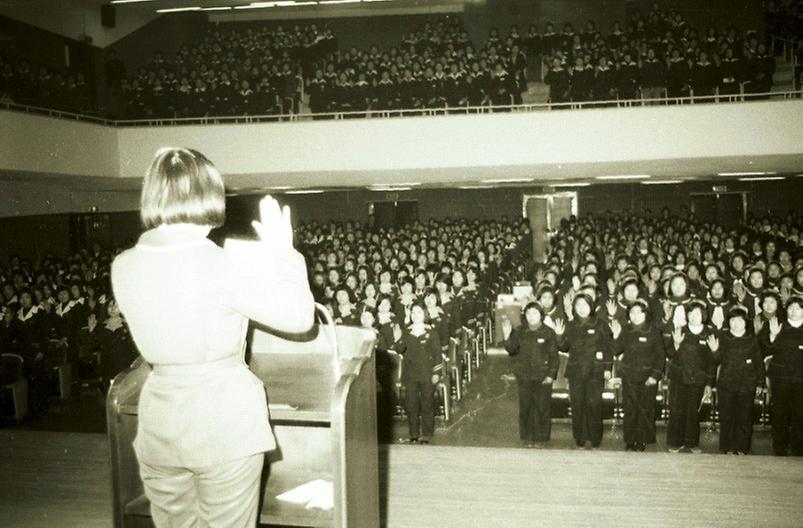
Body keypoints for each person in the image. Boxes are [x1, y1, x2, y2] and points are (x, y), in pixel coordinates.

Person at [111, 147, 315, 527]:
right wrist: (285, 252)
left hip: (160, 422)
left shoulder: (123, 265)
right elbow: (301, 318)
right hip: (224, 421)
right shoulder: (223, 265)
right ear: (210, 195)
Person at [708, 305, 765, 455]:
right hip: (726, 383)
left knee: (745, 416)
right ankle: (726, 447)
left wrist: (760, 382)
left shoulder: (752, 339)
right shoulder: (722, 337)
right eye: (732, 320)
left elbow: (759, 362)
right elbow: (717, 360)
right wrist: (714, 351)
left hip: (747, 383)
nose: (736, 323)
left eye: (739, 320)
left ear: (745, 322)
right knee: (726, 416)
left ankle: (742, 448)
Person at [501, 301, 559, 447]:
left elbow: (554, 356)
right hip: (524, 376)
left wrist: (551, 375)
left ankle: (541, 438)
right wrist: (507, 336)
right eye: (528, 313)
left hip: (542, 376)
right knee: (525, 407)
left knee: (542, 408)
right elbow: (512, 350)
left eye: (535, 313)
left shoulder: (548, 332)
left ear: (541, 315)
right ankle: (527, 437)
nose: (531, 316)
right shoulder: (520, 330)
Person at [558, 293, 613, 448]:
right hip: (576, 370)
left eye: (585, 305)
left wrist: (607, 367)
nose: (582, 308)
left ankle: (595, 437)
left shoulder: (600, 324)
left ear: (591, 306)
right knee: (577, 404)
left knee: (594, 403)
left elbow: (608, 347)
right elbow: (564, 347)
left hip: (596, 370)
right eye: (578, 305)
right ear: (574, 308)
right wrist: (559, 336)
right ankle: (579, 436)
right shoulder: (571, 324)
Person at [610, 299, 665, 451]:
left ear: (645, 314)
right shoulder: (626, 329)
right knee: (630, 409)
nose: (635, 315)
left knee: (645, 409)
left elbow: (660, 356)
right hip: (629, 376)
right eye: (632, 312)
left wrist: (654, 376)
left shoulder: (653, 330)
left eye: (638, 312)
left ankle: (642, 440)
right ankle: (630, 439)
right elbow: (616, 350)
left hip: (648, 377)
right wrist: (615, 336)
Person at [666, 300, 716, 453]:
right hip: (678, 379)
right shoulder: (680, 330)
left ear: (703, 316)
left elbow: (712, 362)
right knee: (677, 410)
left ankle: (692, 443)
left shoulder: (709, 333)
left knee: (693, 412)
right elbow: (669, 354)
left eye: (697, 314)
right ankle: (675, 442)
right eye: (691, 313)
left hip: (698, 380)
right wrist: (676, 344)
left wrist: (709, 383)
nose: (693, 317)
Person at [391, 302, 442, 444]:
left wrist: (436, 373)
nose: (415, 315)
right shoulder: (407, 332)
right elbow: (400, 350)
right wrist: (397, 339)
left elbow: (438, 354)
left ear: (424, 314)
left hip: (427, 374)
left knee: (427, 404)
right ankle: (413, 434)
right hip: (411, 375)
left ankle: (426, 433)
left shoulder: (431, 332)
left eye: (419, 312)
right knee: (411, 405)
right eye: (413, 313)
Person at [762, 296, 803, 456]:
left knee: (800, 413)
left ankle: (799, 447)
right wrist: (773, 336)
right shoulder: (776, 325)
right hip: (780, 377)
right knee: (779, 412)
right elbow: (766, 349)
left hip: (801, 379)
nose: (794, 311)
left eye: (798, 308)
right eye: (791, 308)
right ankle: (779, 446)